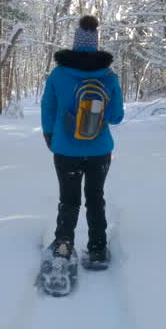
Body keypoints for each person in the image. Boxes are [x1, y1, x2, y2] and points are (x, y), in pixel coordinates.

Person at [41, 15, 124, 269]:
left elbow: (48, 108)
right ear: (96, 43)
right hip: (100, 150)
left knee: (69, 200)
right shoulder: (108, 76)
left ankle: (64, 246)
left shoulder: (59, 74)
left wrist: (50, 136)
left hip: (66, 150)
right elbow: (117, 116)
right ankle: (97, 248)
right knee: (95, 198)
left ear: (76, 43)